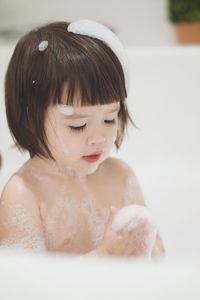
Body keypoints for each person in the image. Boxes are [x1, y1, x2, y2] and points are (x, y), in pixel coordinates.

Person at [0, 20, 165, 259]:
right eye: (78, 125)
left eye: (110, 119)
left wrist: (144, 252)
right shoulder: (24, 194)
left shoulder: (122, 177)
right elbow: (24, 283)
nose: (99, 138)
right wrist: (102, 257)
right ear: (30, 120)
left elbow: (159, 255)